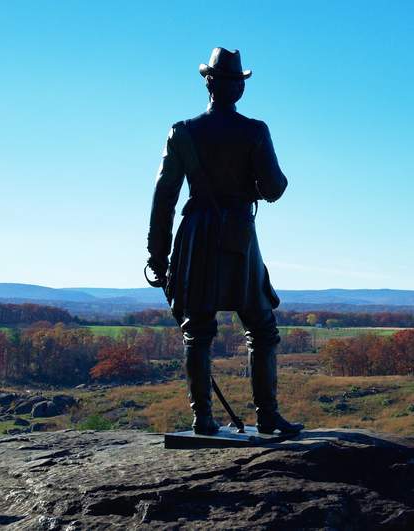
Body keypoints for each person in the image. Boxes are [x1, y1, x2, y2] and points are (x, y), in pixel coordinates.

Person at [146, 47, 303, 436]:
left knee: (197, 329)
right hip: (237, 235)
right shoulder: (254, 132)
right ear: (238, 89)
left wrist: (157, 254)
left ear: (208, 83)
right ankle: (266, 415)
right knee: (262, 327)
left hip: (197, 233)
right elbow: (275, 188)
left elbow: (165, 196)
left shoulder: (182, 132)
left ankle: (202, 419)